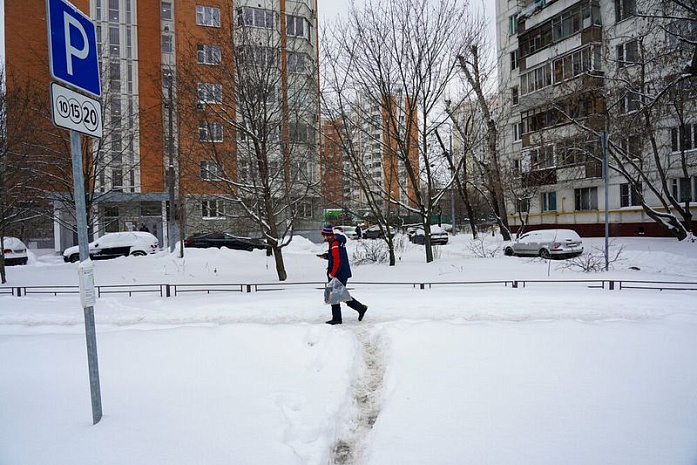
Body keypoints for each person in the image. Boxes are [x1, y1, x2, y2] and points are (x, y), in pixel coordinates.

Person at [319, 225, 368, 325]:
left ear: (328, 235)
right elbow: (335, 256)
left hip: (339, 273)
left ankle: (337, 319)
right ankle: (360, 308)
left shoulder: (335, 243)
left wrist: (333, 273)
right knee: (340, 295)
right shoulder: (336, 242)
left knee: (334, 296)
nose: (323, 238)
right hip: (342, 272)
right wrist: (326, 256)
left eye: (324, 236)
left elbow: (338, 260)